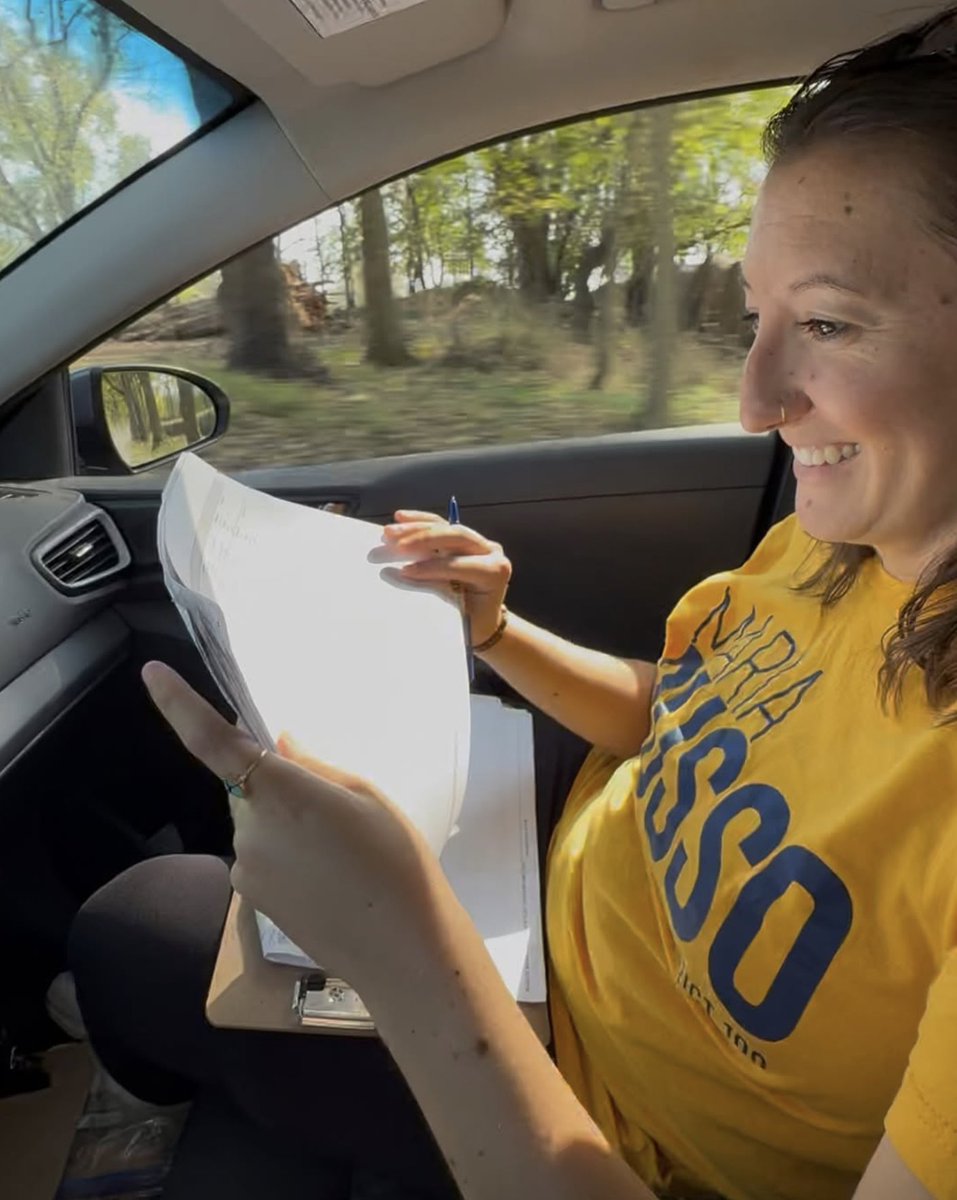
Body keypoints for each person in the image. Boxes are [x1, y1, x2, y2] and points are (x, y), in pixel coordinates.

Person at [69, 8, 957, 1199]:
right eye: (756, 319)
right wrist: (495, 631)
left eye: (831, 323)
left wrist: (411, 955)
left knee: (135, 927)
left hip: (593, 1122)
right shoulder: (840, 540)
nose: (755, 401)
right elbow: (675, 712)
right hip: (563, 877)